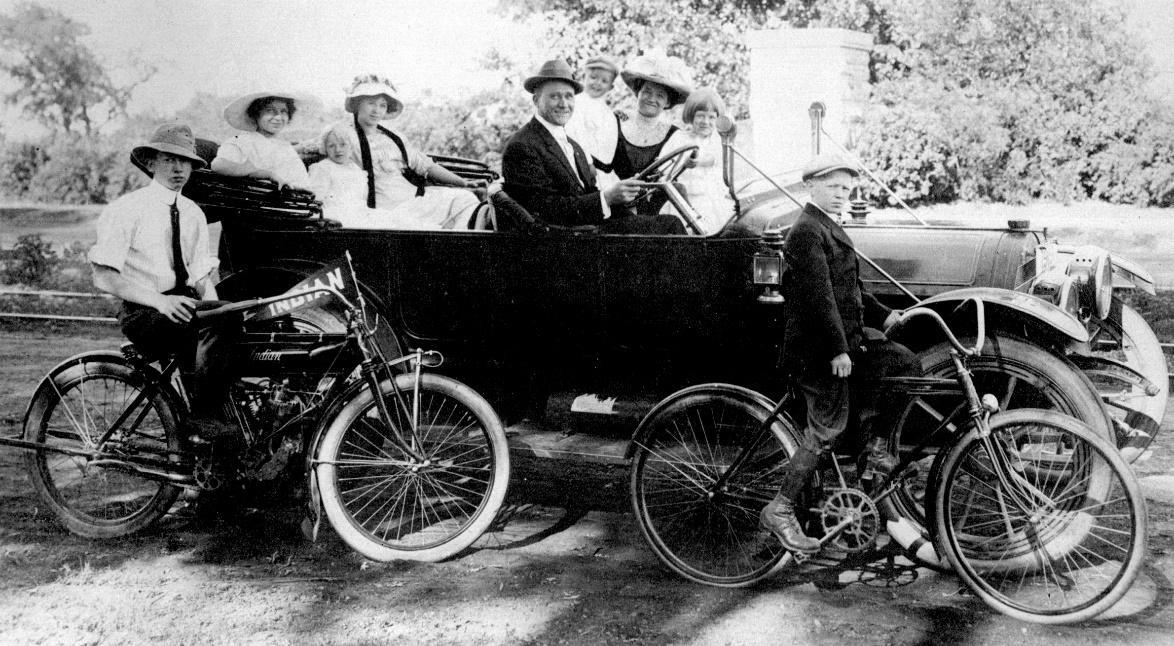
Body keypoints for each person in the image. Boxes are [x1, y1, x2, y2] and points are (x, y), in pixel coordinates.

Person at [759, 154, 920, 555]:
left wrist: (885, 318)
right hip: (816, 352)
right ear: (811, 186)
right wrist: (838, 350)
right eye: (833, 187)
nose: (841, 195)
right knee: (828, 427)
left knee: (904, 364)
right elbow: (819, 297)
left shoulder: (829, 228)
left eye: (847, 189)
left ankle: (874, 452)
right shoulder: (805, 231)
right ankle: (780, 509)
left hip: (843, 344)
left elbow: (851, 289)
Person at [89, 124, 240, 444]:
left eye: (185, 162)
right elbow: (103, 276)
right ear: (151, 163)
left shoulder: (193, 214)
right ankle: (203, 415)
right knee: (219, 319)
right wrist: (160, 302)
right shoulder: (126, 210)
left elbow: (200, 277)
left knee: (234, 314)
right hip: (144, 311)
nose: (177, 168)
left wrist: (215, 310)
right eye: (169, 159)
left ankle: (216, 442)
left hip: (185, 306)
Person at [501, 58, 684, 234]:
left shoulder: (572, 145)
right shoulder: (523, 146)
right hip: (567, 239)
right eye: (554, 96)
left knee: (667, 223)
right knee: (670, 227)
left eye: (568, 96)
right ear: (536, 101)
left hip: (586, 227)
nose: (564, 104)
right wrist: (607, 197)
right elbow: (544, 210)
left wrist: (621, 200)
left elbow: (587, 193)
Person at [341, 74, 481, 229]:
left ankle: (457, 245)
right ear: (358, 104)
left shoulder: (393, 137)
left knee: (465, 199)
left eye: (382, 105)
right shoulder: (343, 136)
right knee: (425, 228)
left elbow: (426, 166)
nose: (377, 110)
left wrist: (463, 182)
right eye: (371, 103)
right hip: (381, 212)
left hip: (412, 201)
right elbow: (314, 150)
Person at [600, 50, 692, 215]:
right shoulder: (617, 120)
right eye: (647, 91)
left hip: (652, 211)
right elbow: (600, 171)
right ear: (638, 92)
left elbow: (666, 179)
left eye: (660, 95)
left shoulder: (673, 134)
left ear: (668, 102)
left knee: (679, 191)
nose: (651, 98)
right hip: (616, 208)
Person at [307, 122, 430, 229]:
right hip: (335, 217)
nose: (338, 150)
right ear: (325, 149)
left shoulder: (355, 168)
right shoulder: (322, 168)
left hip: (359, 213)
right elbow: (313, 201)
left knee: (401, 221)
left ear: (350, 146)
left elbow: (361, 199)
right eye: (331, 146)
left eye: (343, 144)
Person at [211, 91, 320, 191]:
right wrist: (263, 173)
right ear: (255, 114)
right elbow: (218, 165)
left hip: (294, 204)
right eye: (270, 111)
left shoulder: (284, 147)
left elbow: (301, 182)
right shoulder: (242, 141)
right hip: (261, 206)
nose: (278, 117)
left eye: (283, 111)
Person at [661, 87, 735, 234]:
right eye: (700, 116)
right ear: (691, 116)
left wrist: (698, 162)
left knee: (716, 232)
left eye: (711, 117)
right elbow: (664, 165)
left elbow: (715, 159)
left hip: (711, 199)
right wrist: (683, 163)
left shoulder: (717, 140)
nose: (705, 122)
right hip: (684, 202)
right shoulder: (679, 138)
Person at [564, 55, 620, 177]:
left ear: (610, 87)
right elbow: (574, 133)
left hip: (602, 169)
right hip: (581, 163)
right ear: (584, 77)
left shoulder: (608, 113)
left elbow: (609, 145)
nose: (597, 83)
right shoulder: (576, 103)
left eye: (604, 81)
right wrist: (588, 163)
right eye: (593, 77)